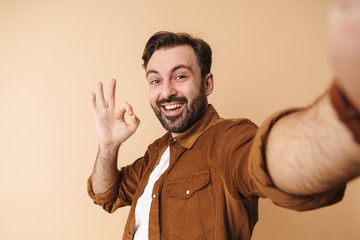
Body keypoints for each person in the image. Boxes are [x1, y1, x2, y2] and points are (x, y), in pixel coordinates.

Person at [87, 1, 360, 239]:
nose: (166, 90)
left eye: (180, 76)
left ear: (207, 84)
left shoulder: (228, 140)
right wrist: (109, 146)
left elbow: (268, 160)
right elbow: (106, 195)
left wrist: (347, 109)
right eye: (155, 80)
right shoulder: (155, 153)